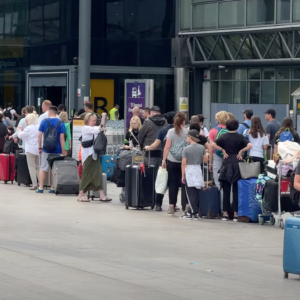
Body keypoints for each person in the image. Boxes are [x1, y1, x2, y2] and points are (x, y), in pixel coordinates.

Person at [212, 119, 252, 221]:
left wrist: (222, 150)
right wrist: (241, 151)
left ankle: (225, 213)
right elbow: (250, 145)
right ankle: (235, 213)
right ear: (237, 127)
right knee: (236, 190)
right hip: (237, 163)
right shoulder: (240, 137)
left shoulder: (223, 136)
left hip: (226, 163)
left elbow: (213, 144)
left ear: (227, 126)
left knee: (226, 189)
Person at [145, 111, 175, 211]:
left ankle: (158, 204)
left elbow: (156, 144)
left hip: (165, 158)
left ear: (166, 120)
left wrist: (148, 147)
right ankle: (173, 204)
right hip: (178, 159)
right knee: (173, 184)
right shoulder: (180, 130)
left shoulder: (163, 131)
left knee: (161, 182)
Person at [77, 113, 112, 202]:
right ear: (87, 120)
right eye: (93, 120)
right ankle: (81, 195)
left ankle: (102, 194)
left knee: (98, 173)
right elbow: (100, 128)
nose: (94, 122)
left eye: (95, 120)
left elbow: (102, 129)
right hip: (88, 155)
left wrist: (104, 120)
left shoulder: (92, 129)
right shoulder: (86, 128)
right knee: (86, 174)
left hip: (94, 154)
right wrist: (103, 117)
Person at [162, 112, 188, 215]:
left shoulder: (170, 131)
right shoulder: (187, 132)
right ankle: (185, 206)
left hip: (172, 160)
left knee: (172, 184)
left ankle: (172, 206)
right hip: (184, 161)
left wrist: (164, 160)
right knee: (184, 184)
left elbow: (167, 147)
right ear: (184, 121)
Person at [36, 106, 66, 194]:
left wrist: (39, 147)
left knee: (43, 168)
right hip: (57, 150)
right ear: (56, 113)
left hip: (46, 148)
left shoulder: (44, 121)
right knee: (55, 168)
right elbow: (62, 138)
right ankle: (53, 188)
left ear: (49, 112)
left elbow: (39, 135)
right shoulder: (61, 123)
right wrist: (63, 150)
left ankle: (41, 187)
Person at [181, 130, 207, 220]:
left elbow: (184, 163)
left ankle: (193, 212)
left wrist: (183, 175)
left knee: (189, 192)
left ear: (190, 137)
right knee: (196, 192)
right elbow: (205, 161)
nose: (187, 138)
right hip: (198, 169)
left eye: (187, 137)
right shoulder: (202, 148)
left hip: (189, 170)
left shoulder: (186, 149)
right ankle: (192, 211)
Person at [208, 111, 230, 191]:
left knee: (218, 181)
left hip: (217, 156)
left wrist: (210, 163)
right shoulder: (231, 130)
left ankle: (221, 202)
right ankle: (229, 201)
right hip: (229, 157)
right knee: (228, 181)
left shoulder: (213, 131)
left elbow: (211, 148)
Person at [17, 113, 40, 190]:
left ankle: (34, 184)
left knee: (31, 167)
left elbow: (20, 135)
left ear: (29, 120)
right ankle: (41, 183)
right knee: (38, 167)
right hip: (38, 149)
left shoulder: (28, 128)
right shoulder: (38, 127)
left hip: (30, 149)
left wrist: (19, 130)